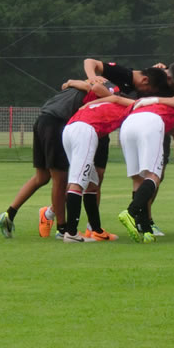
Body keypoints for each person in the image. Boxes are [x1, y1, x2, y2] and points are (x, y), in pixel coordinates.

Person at [0, 75, 114, 239]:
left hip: (42, 120)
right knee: (61, 179)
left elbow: (81, 86)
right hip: (57, 123)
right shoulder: (93, 90)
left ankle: (9, 214)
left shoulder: (76, 88)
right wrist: (79, 82)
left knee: (42, 177)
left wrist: (71, 82)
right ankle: (62, 228)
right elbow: (93, 89)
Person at [59, 94, 138, 242]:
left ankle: (97, 231)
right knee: (78, 182)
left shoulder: (102, 104)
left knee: (91, 183)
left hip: (70, 129)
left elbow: (112, 99)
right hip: (85, 130)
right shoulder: (131, 105)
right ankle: (71, 233)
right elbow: (117, 99)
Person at [116, 95, 174, 243]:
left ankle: (145, 229)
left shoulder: (152, 104)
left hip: (128, 124)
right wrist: (157, 100)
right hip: (150, 122)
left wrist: (154, 100)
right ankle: (130, 212)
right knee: (154, 175)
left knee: (138, 179)